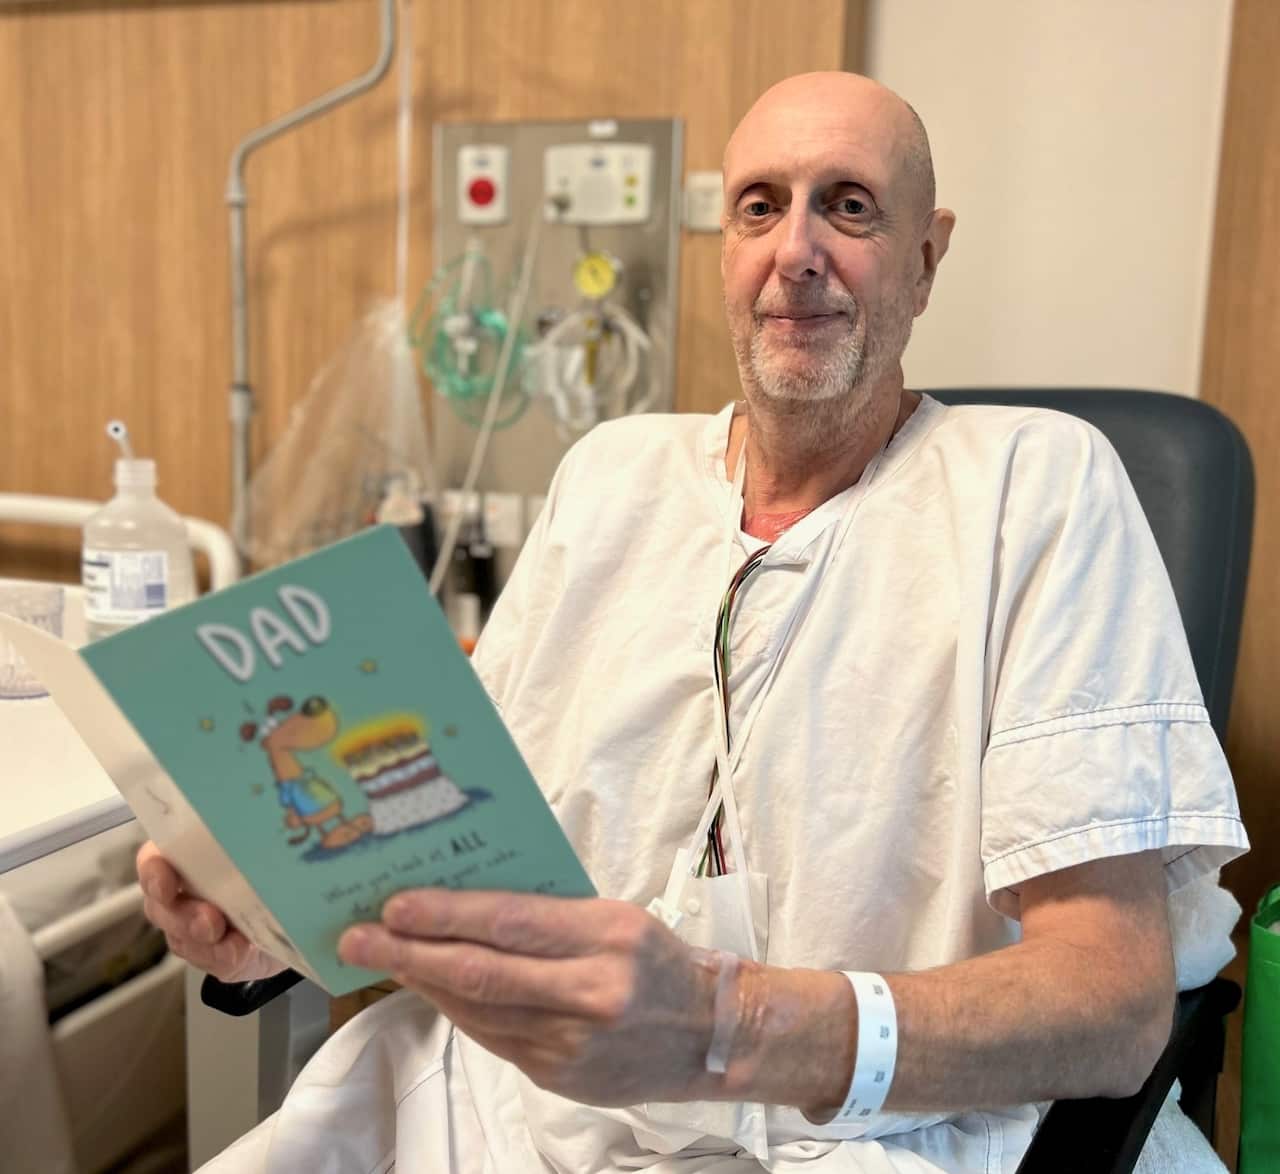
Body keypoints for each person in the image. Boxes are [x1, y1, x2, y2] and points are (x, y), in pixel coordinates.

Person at [137, 72, 1247, 1172]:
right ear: (724, 246)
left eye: (848, 206)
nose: (795, 250)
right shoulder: (611, 477)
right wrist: (274, 926)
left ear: (925, 254)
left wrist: (730, 1025)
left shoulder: (1036, 490)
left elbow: (1109, 1004)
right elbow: (463, 859)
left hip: (874, 1138)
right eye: (759, 205)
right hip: (512, 1115)